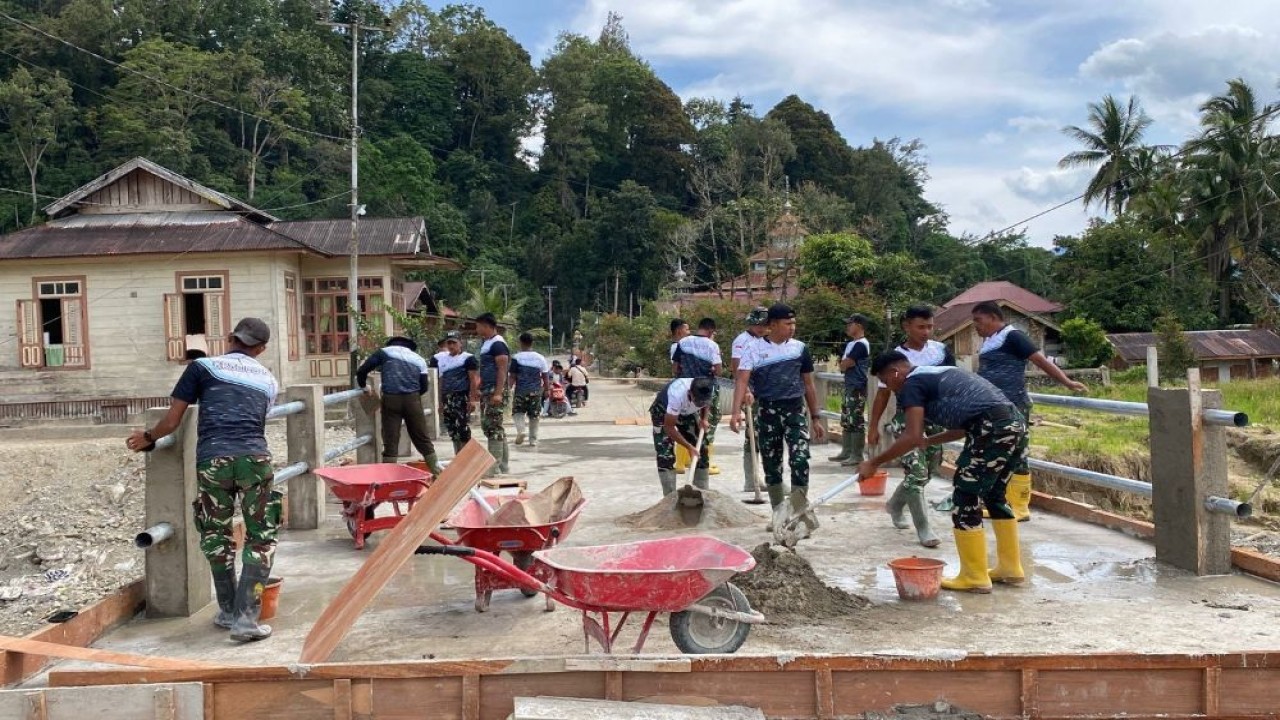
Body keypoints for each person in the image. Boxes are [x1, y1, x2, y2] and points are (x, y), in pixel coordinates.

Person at [125, 317, 280, 642]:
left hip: (213, 461)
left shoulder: (203, 367)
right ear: (261, 349)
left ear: (230, 338)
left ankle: (226, 611)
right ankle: (246, 620)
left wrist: (148, 437)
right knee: (260, 537)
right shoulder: (268, 379)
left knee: (215, 533)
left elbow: (171, 421)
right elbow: (257, 419)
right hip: (255, 459)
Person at [858, 352, 1029, 593]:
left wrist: (874, 462)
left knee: (965, 498)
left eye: (886, 381)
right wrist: (931, 441)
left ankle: (974, 576)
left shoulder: (911, 383)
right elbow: (963, 425)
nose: (890, 389)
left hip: (992, 430)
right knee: (995, 496)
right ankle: (1010, 568)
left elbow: (911, 435)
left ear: (895, 372)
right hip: (1013, 424)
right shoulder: (934, 374)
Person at [972, 301, 1087, 521]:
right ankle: (1002, 502)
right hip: (994, 406)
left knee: (1018, 452)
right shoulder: (990, 340)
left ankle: (1020, 506)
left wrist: (1067, 382)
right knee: (998, 454)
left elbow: (1040, 360)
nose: (976, 325)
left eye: (979, 320)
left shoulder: (1013, 336)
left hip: (1014, 404)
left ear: (994, 317)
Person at [730, 304, 826, 532]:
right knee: (772, 465)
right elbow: (742, 380)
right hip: (767, 412)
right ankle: (779, 515)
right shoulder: (753, 349)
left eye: (794, 323)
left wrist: (815, 416)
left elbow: (809, 384)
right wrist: (736, 411)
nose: (792, 328)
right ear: (772, 325)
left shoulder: (800, 349)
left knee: (800, 459)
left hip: (795, 410)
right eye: (787, 323)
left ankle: (799, 513)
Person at [867, 304, 954, 548]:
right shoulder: (895, 358)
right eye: (920, 327)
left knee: (929, 471)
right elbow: (882, 396)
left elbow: (951, 381)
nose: (926, 332)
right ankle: (924, 528)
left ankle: (895, 503)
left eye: (930, 327)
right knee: (916, 473)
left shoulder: (941, 351)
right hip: (907, 419)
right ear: (906, 326)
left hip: (936, 419)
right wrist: (872, 426)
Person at [355, 336, 440, 475]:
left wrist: (364, 387)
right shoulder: (418, 359)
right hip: (413, 400)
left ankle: (388, 476)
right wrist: (412, 396)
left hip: (390, 399)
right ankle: (437, 472)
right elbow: (424, 387)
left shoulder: (384, 352)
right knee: (421, 437)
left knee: (391, 439)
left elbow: (362, 371)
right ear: (409, 346)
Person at [673, 317, 724, 489]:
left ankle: (682, 462)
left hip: (685, 389)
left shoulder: (684, 342)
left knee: (686, 427)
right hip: (704, 389)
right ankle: (702, 470)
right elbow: (718, 370)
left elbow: (676, 366)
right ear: (710, 331)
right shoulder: (712, 345)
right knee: (705, 427)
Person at [650, 377, 717, 495]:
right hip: (663, 410)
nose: (700, 404)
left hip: (686, 411)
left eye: (703, 401)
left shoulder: (709, 388)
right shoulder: (677, 395)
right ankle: (670, 498)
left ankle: (701, 494)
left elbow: (707, 403)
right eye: (698, 401)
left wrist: (704, 419)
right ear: (690, 393)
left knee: (700, 448)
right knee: (665, 453)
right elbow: (669, 427)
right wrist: (688, 446)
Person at [731, 307, 769, 492]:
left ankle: (761, 476)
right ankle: (751, 479)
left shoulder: (764, 341)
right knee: (752, 435)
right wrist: (745, 390)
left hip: (764, 391)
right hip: (750, 391)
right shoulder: (742, 340)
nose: (761, 328)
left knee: (763, 435)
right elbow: (737, 369)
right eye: (757, 324)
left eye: (764, 324)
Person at [830, 314, 872, 467]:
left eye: (850, 324)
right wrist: (843, 364)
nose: (847, 327)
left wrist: (843, 364)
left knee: (855, 419)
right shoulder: (851, 344)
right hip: (850, 384)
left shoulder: (861, 344)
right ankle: (846, 451)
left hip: (857, 386)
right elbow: (843, 363)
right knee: (847, 419)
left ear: (859, 326)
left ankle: (857, 454)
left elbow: (847, 363)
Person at [431, 332, 480, 454]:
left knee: (462, 427)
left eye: (454, 342)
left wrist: (472, 399)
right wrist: (440, 402)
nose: (451, 345)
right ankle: (458, 455)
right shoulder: (442, 359)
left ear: (460, 343)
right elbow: (440, 381)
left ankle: (466, 456)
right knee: (452, 429)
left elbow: (473, 380)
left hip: (461, 397)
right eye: (449, 343)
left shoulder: (468, 358)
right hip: (447, 398)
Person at [475, 313, 511, 474]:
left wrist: (498, 392)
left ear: (486, 325)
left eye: (478, 325)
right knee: (492, 427)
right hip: (487, 390)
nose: (477, 329)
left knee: (493, 427)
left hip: (494, 391)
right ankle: (503, 465)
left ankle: (494, 468)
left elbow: (502, 369)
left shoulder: (498, 344)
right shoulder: (487, 343)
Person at [510, 332, 550, 447]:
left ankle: (521, 431)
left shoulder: (516, 358)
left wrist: (507, 389)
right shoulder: (540, 358)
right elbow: (545, 375)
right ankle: (533, 440)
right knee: (534, 415)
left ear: (520, 343)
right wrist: (547, 390)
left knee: (517, 412)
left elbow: (512, 376)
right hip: (536, 391)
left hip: (520, 391)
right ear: (532, 343)